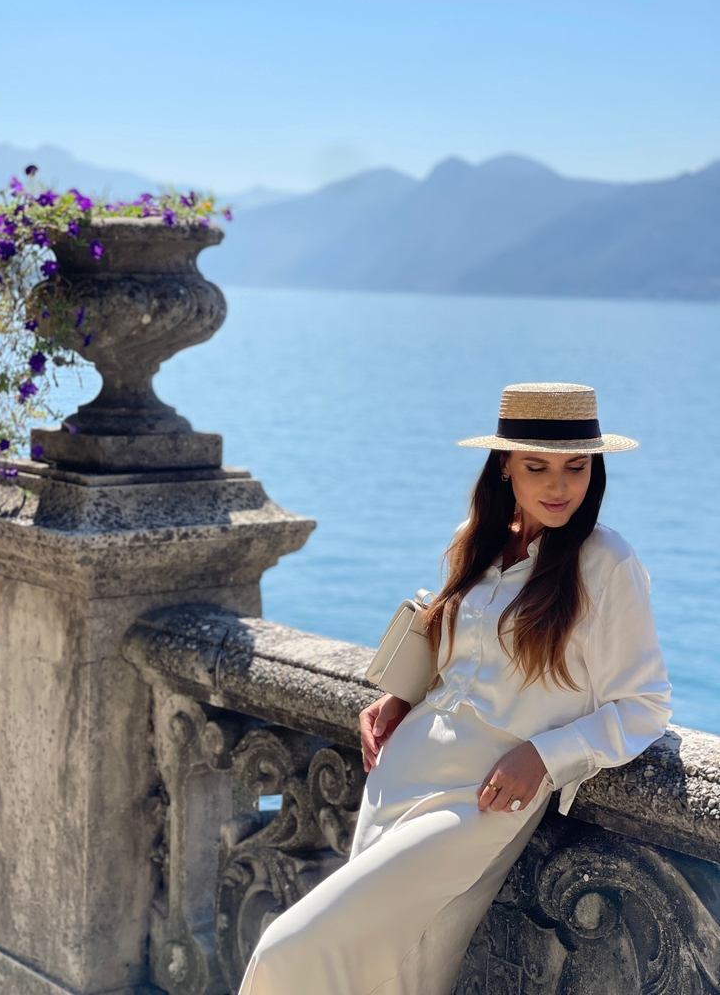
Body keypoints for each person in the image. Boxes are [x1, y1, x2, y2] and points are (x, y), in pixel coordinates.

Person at [239, 382, 672, 995]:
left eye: (576, 467)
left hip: (484, 797)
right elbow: (459, 657)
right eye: (537, 467)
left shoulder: (607, 562)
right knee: (403, 969)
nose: (560, 486)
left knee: (290, 946)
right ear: (505, 467)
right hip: (404, 770)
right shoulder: (477, 539)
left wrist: (544, 757)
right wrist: (399, 697)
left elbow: (645, 705)